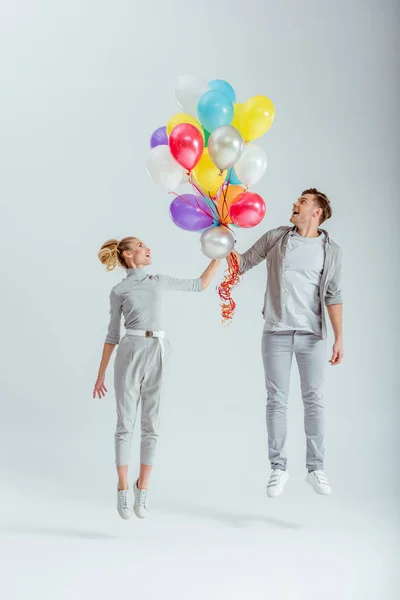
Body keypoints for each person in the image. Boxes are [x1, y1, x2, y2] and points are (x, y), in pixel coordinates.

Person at [93, 236, 220, 520]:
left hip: (159, 352)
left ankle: (143, 486)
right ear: (126, 255)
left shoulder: (158, 280)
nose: (147, 248)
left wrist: (218, 256)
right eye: (140, 246)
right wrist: (101, 372)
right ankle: (123, 488)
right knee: (125, 424)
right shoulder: (119, 290)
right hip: (130, 352)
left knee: (152, 424)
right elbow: (112, 334)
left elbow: (199, 285)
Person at [230, 188, 343, 497]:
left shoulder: (330, 250)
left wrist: (338, 338)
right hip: (276, 333)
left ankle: (316, 468)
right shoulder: (278, 238)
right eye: (297, 200)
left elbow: (333, 295)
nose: (295, 204)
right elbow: (241, 264)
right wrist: (224, 236)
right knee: (276, 401)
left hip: (312, 336)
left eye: (303, 202)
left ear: (316, 212)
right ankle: (278, 468)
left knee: (314, 400)